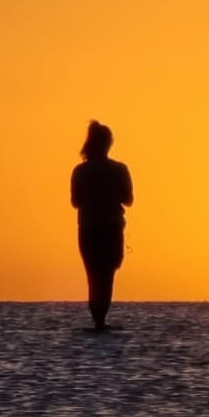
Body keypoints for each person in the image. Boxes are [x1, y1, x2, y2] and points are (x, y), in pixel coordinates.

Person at [70, 120, 134, 331]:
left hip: (87, 228)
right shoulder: (119, 169)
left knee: (93, 274)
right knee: (107, 274)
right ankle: (100, 320)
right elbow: (129, 200)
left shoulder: (79, 171)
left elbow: (75, 202)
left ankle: (98, 319)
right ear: (108, 144)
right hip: (111, 227)